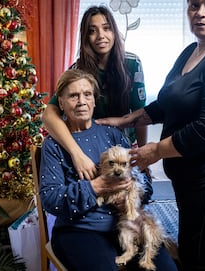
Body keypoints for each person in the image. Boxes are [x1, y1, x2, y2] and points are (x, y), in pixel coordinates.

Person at [96, 0, 205, 271]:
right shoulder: (192, 50)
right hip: (190, 178)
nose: (200, 13)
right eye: (194, 5)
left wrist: (154, 151)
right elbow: (168, 103)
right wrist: (124, 119)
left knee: (196, 258)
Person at [39, 69, 178, 271]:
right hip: (79, 231)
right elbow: (51, 199)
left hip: (126, 225)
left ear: (94, 101)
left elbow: (146, 185)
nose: (81, 101)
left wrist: (133, 191)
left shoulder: (113, 134)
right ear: (60, 103)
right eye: (73, 96)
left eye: (87, 94)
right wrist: (96, 187)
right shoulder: (53, 145)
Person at [42, 5, 148, 181]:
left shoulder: (132, 63)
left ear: (114, 31)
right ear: (86, 37)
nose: (101, 36)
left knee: (136, 191)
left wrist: (142, 157)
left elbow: (141, 113)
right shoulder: (77, 69)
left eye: (106, 28)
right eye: (93, 31)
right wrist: (77, 154)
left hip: (124, 145)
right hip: (90, 145)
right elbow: (49, 115)